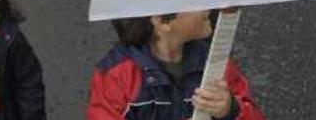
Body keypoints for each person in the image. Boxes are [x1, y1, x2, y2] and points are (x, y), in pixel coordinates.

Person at [87, 12, 265, 119]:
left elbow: (254, 114)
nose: (208, 7)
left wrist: (230, 110)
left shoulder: (216, 63)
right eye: (196, 1)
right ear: (163, 22)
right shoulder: (117, 76)